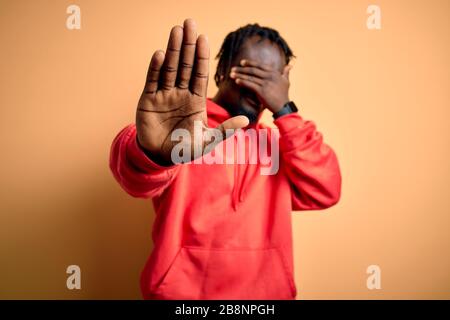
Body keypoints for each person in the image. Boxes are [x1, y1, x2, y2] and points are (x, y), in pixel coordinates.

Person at [109, 18, 341, 300]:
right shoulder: (184, 131)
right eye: (252, 73)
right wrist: (152, 153)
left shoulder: (284, 148)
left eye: (272, 79)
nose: (260, 89)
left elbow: (326, 189)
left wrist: (285, 110)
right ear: (221, 72)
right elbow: (136, 180)